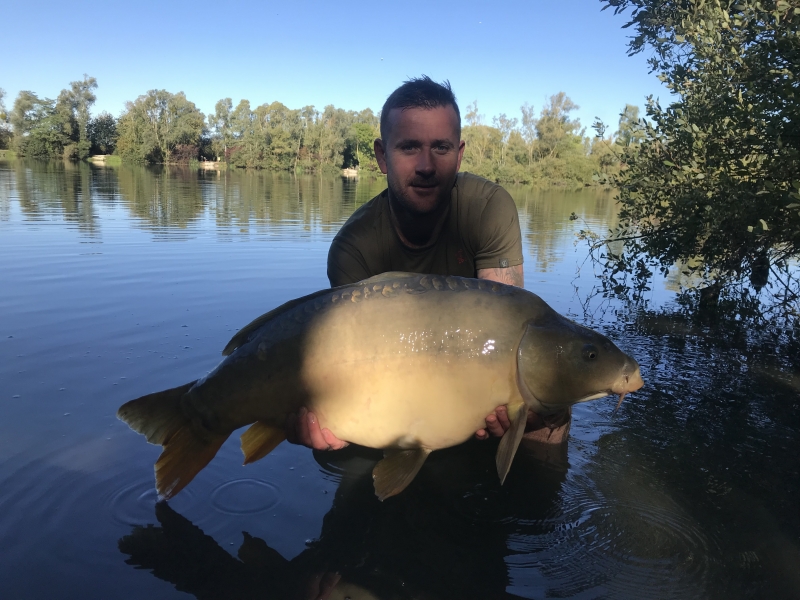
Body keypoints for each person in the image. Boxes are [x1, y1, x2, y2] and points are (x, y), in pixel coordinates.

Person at [286, 76, 570, 452]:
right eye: (408, 147)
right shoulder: (353, 249)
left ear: (460, 153)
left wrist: (518, 405)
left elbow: (509, 330)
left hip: (476, 383)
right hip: (394, 384)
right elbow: (352, 361)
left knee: (545, 404)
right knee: (339, 447)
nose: (426, 165)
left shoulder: (488, 209)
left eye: (441, 147)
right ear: (382, 156)